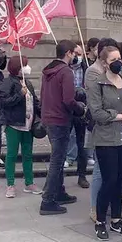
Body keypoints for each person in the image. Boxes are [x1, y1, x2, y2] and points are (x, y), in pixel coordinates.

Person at [87, 46, 122, 240]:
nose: (118, 62)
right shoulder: (97, 84)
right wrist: (120, 116)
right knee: (109, 180)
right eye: (113, 60)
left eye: (119, 58)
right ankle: (100, 220)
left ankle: (116, 219)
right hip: (106, 138)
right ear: (104, 63)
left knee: (120, 180)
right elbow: (97, 113)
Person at [40, 40, 81, 215]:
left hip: (49, 117)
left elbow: (43, 95)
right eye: (75, 53)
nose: (76, 57)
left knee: (59, 156)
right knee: (57, 160)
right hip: (60, 119)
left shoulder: (48, 71)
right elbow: (68, 100)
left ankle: (59, 191)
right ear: (69, 53)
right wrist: (80, 108)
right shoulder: (66, 72)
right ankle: (47, 200)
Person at [0, 55, 42, 198]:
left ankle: (29, 182)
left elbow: (34, 102)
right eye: (24, 65)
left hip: (28, 125)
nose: (27, 68)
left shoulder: (27, 83)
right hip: (14, 125)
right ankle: (10, 184)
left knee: (27, 154)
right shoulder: (8, 83)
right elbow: (3, 102)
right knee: (11, 155)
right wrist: (19, 95)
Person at [86, 38, 120, 222]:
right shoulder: (94, 72)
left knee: (112, 174)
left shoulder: (120, 76)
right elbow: (96, 105)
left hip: (117, 130)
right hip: (102, 127)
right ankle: (95, 208)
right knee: (100, 170)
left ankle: (109, 207)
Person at [65, 44, 91, 189]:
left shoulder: (86, 69)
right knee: (63, 142)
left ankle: (82, 175)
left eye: (80, 54)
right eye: (75, 53)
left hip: (82, 111)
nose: (77, 57)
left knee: (82, 145)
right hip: (68, 110)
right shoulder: (65, 69)